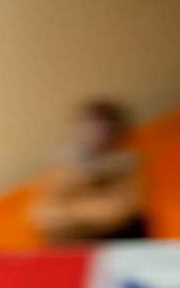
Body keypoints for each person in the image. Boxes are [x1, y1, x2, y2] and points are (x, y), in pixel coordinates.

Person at [28, 99, 147, 243]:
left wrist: (70, 213)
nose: (93, 134)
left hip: (114, 244)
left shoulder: (126, 165)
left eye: (101, 128)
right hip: (69, 248)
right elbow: (39, 214)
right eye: (88, 126)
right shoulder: (61, 166)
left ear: (115, 131)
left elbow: (115, 212)